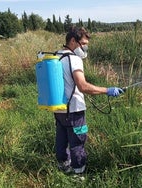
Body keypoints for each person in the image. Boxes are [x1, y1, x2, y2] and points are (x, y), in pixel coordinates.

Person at [54, 26, 123, 175]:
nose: (85, 47)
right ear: (73, 41)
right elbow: (83, 86)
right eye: (83, 44)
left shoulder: (56, 55)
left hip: (58, 109)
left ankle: (63, 165)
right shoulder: (74, 59)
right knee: (78, 141)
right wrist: (108, 90)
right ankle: (79, 174)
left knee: (61, 139)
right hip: (74, 111)